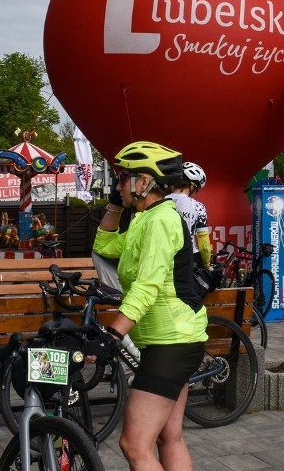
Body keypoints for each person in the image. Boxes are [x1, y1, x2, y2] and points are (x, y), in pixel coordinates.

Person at [91, 141, 208, 471]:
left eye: (122, 179)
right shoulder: (147, 218)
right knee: (169, 437)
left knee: (134, 444)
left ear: (143, 182)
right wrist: (116, 203)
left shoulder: (160, 221)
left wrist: (113, 334)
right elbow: (104, 245)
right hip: (177, 339)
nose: (117, 185)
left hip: (171, 342)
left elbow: (146, 286)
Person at [167, 161, 212, 269]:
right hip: (189, 257)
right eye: (196, 189)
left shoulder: (160, 200)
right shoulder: (198, 207)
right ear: (192, 186)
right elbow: (204, 243)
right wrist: (206, 264)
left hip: (165, 256)